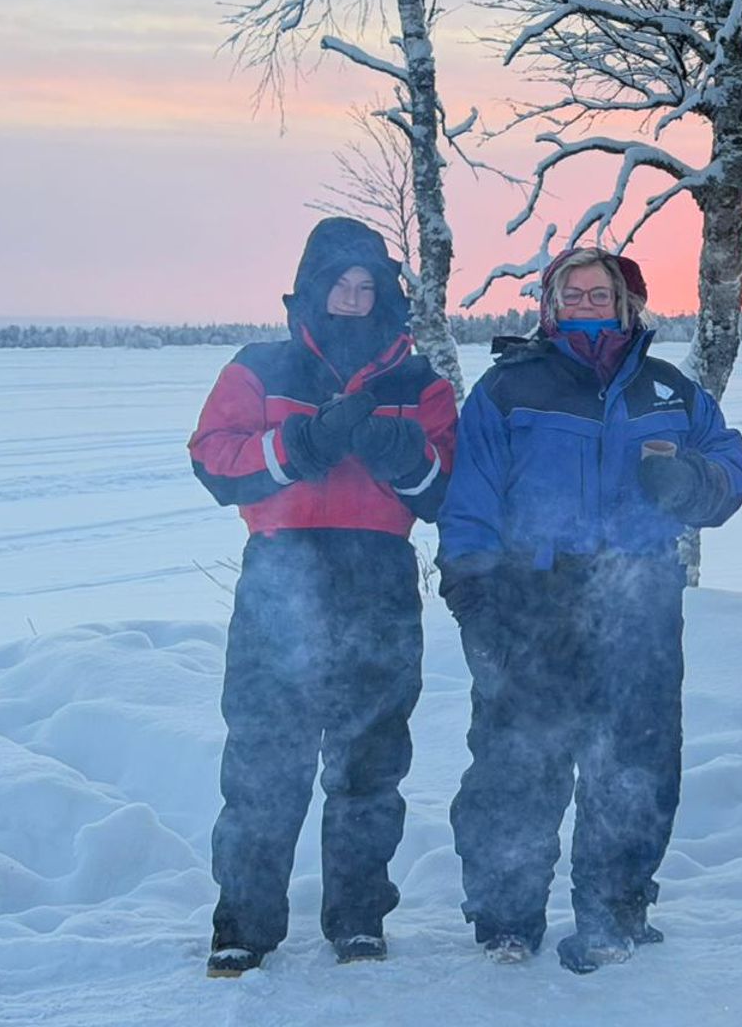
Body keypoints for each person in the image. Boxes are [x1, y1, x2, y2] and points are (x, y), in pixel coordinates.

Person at [436, 247, 742, 974]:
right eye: (571, 294)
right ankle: (507, 917)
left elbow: (732, 473)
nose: (585, 304)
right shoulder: (508, 390)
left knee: (635, 762)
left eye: (598, 294)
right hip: (531, 597)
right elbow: (471, 498)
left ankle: (615, 909)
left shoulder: (669, 391)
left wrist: (689, 482)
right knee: (518, 761)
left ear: (625, 305)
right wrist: (472, 593)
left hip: (638, 599)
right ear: (551, 308)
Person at [188, 216, 457, 977]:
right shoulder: (259, 368)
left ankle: (358, 920)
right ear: (310, 288)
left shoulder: (420, 384)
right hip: (281, 578)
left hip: (379, 582)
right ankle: (243, 924)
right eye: (338, 281)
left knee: (369, 766)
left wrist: (402, 456)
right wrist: (296, 447)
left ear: (385, 295)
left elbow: (443, 490)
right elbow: (215, 463)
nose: (351, 295)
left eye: (366, 284)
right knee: (264, 764)